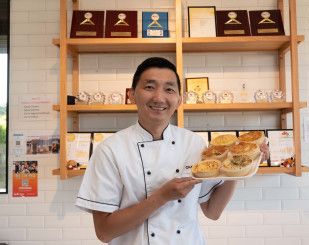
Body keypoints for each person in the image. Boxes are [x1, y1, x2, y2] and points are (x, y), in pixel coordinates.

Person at [76, 57, 267, 245]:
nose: (159, 97)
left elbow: (212, 211)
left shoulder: (193, 143)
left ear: (179, 100)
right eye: (149, 87)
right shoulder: (110, 150)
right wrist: (162, 196)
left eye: (169, 89)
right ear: (132, 95)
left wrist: (241, 163)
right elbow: (104, 232)